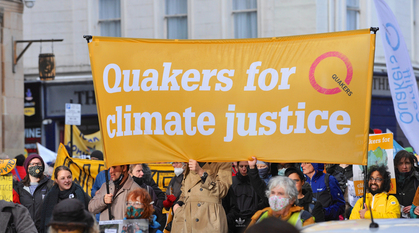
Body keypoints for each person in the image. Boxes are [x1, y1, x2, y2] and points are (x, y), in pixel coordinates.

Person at [171, 160, 232, 233]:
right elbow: (185, 188)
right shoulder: (191, 160)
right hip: (187, 218)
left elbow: (222, 190)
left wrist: (201, 172)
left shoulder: (223, 161)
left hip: (209, 219)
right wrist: (178, 205)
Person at [247, 176, 314, 230]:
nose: (275, 197)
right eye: (272, 193)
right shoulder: (260, 215)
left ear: (292, 199)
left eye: (280, 193)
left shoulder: (304, 217)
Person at [40, 166, 90, 233]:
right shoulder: (50, 196)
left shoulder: (80, 193)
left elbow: (90, 216)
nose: (67, 180)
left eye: (69, 177)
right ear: (56, 180)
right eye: (62, 178)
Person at [14, 154, 54, 232]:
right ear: (27, 167)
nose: (35, 166)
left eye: (38, 164)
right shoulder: (19, 187)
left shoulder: (50, 185)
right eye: (32, 164)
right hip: (25, 230)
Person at [223, 161, 262, 233]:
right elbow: (226, 202)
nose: (244, 169)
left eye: (246, 166)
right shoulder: (230, 182)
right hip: (233, 221)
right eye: (241, 166)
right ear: (237, 167)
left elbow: (262, 201)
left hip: (251, 219)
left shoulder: (256, 183)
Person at [130, 163, 165, 230]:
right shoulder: (124, 189)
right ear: (130, 173)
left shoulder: (149, 189)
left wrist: (151, 208)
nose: (142, 173)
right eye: (138, 171)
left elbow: (158, 209)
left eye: (142, 170)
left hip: (145, 227)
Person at [393, 150, 419, 218]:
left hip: (414, 220)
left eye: (407, 163)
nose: (404, 167)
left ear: (412, 164)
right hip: (394, 220)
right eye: (400, 163)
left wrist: (414, 207)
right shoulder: (389, 180)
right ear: (396, 165)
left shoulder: (417, 178)